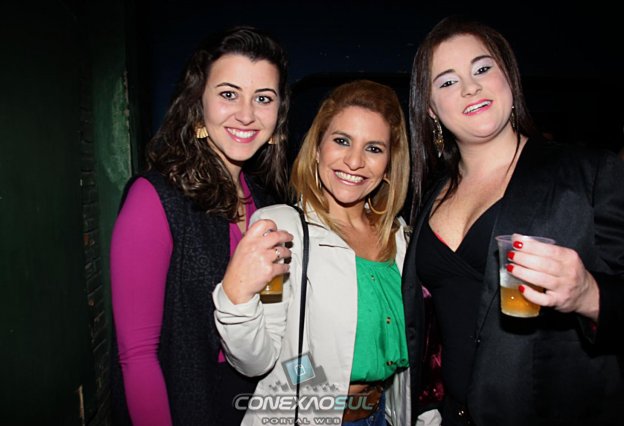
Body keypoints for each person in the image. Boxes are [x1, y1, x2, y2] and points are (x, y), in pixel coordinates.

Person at [403, 15, 624, 426]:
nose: (470, 87)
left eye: (482, 68)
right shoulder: (430, 195)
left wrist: (589, 295)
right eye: (447, 81)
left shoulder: (589, 174)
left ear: (508, 76)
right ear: (431, 109)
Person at [212, 80, 421, 425]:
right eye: (342, 141)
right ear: (317, 149)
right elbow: (255, 360)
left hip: (384, 415)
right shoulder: (282, 230)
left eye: (373, 148)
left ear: (389, 164)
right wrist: (236, 299)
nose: (354, 161)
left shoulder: (401, 238)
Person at [109, 26, 290, 426]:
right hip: (184, 404)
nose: (247, 114)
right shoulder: (154, 199)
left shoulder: (270, 206)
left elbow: (274, 322)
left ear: (278, 113)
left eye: (263, 98)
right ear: (198, 102)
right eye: (228, 94)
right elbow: (137, 357)